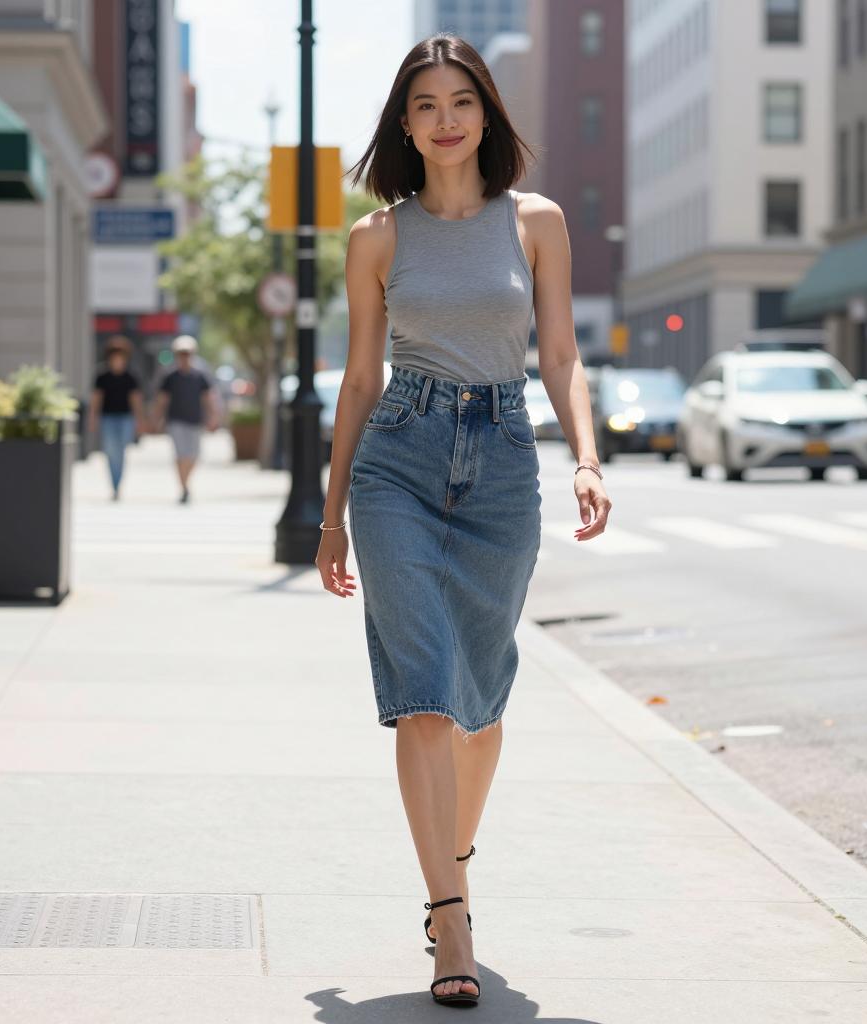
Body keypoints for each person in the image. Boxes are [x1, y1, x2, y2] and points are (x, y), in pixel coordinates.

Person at [316, 34, 611, 1008]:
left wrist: (586, 457)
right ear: (404, 124)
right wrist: (329, 517)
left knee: (479, 705)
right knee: (426, 696)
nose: (445, 120)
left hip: (500, 463)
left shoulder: (536, 222)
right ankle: (450, 917)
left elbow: (560, 353)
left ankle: (452, 845)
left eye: (461, 102)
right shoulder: (376, 238)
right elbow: (359, 379)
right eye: (425, 105)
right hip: (397, 458)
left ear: (486, 112)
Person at [152, 334, 219, 504]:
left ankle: (185, 483)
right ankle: (183, 488)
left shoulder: (200, 376)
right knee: (181, 454)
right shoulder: (170, 376)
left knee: (194, 455)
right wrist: (156, 419)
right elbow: (162, 400)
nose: (184, 357)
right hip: (176, 421)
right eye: (181, 353)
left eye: (187, 353)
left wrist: (213, 417)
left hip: (195, 420)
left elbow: (208, 398)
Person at [88, 336, 145, 501]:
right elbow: (96, 399)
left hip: (126, 419)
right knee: (110, 452)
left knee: (120, 452)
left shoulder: (130, 377)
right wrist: (92, 419)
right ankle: (114, 484)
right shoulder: (102, 376)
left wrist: (140, 421)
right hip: (107, 418)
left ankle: (117, 484)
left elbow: (136, 400)